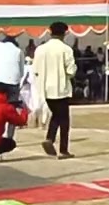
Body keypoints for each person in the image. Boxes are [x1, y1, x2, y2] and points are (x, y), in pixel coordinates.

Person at [32, 21, 77, 159]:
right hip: (61, 88)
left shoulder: (40, 49)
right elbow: (71, 71)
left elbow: (36, 70)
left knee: (56, 115)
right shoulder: (66, 49)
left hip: (45, 88)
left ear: (50, 32)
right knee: (64, 120)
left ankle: (50, 138)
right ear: (64, 33)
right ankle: (63, 149)